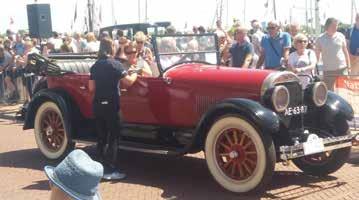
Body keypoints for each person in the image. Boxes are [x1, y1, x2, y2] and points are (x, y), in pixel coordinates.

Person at [89, 37, 138, 179]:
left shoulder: (95, 66)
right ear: (112, 48)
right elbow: (128, 82)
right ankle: (110, 170)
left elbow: (91, 87)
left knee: (101, 137)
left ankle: (98, 169)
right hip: (112, 105)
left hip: (98, 105)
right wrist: (134, 73)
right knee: (113, 137)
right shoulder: (116, 65)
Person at [315, 18, 351, 90]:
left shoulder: (341, 36)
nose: (335, 28)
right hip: (328, 70)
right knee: (330, 93)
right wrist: (316, 69)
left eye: (336, 26)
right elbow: (317, 56)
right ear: (327, 26)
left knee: (343, 91)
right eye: (333, 26)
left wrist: (349, 66)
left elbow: (345, 52)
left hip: (342, 69)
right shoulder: (320, 39)